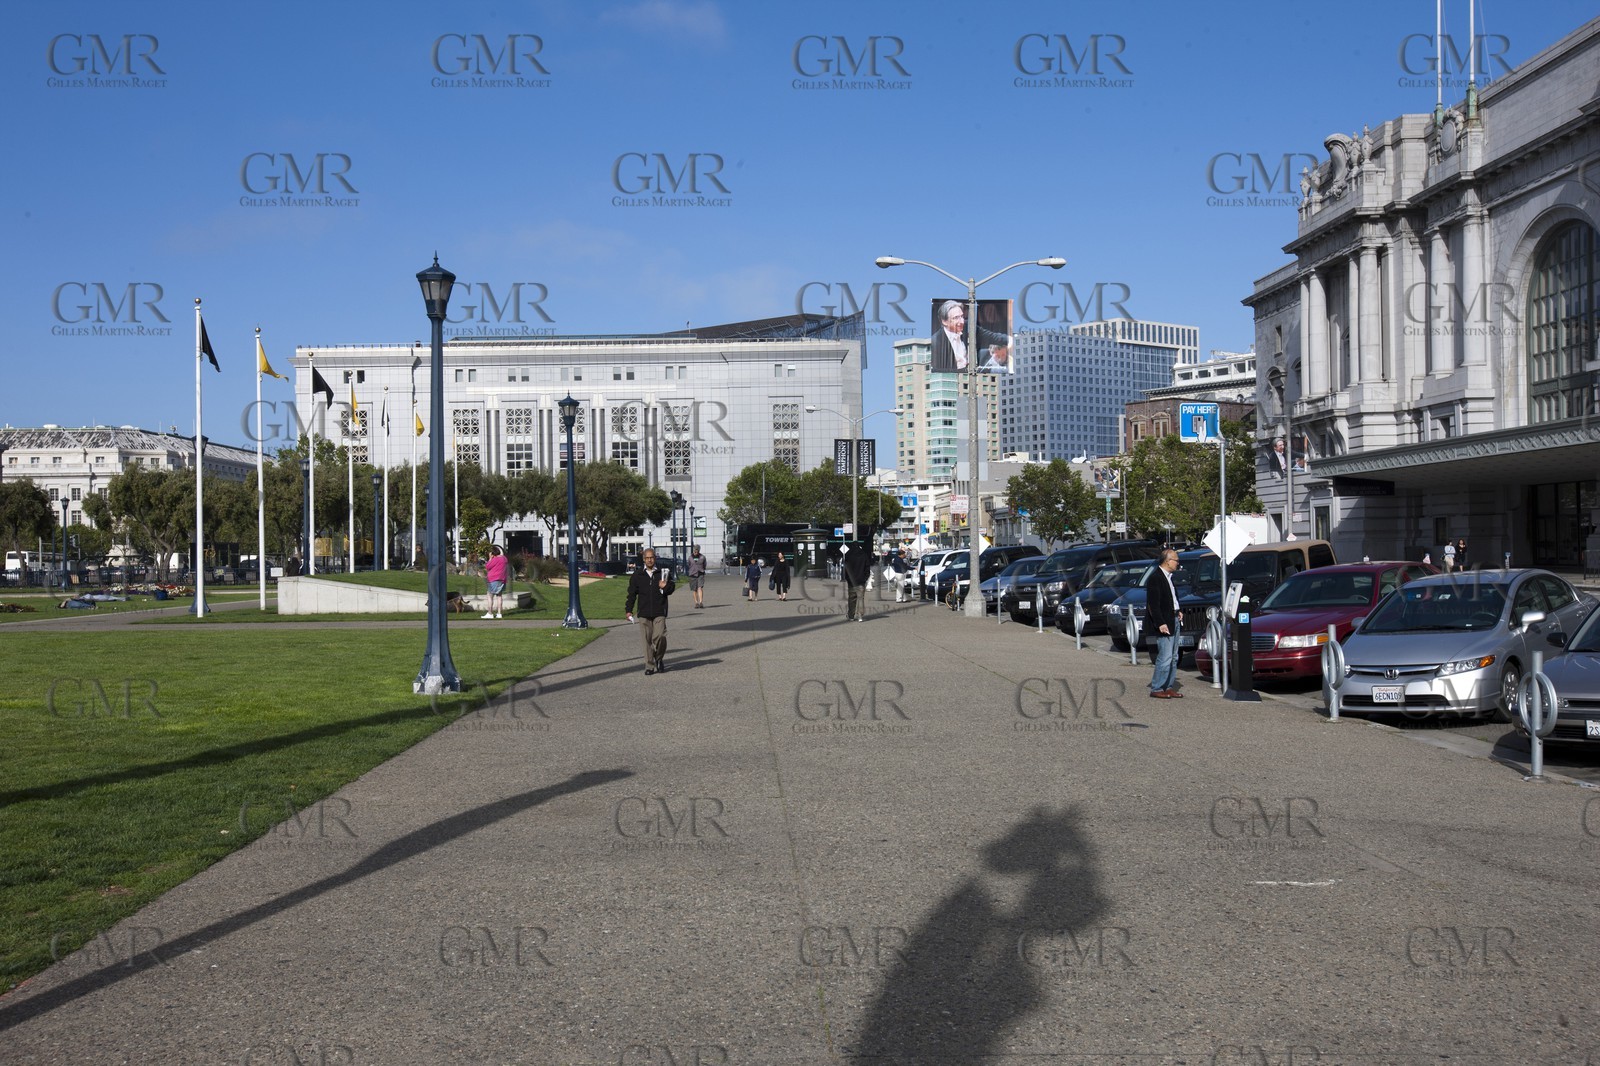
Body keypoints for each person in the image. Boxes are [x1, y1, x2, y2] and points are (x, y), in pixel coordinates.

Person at [625, 548, 675, 675]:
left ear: (655, 558)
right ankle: (649, 666)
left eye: (651, 557)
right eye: (647, 558)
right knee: (646, 640)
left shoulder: (662, 573)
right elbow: (631, 594)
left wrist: (665, 586)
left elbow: (671, 588)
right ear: (643, 559)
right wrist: (628, 610)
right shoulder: (637, 575)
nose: (649, 560)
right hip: (644, 612)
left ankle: (658, 658)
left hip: (659, 610)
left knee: (660, 637)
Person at [1145, 549, 1182, 699]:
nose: (1178, 563)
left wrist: (1178, 610)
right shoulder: (1156, 578)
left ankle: (1168, 686)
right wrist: (1160, 622)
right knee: (1165, 656)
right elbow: (1153, 604)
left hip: (1174, 618)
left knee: (1174, 657)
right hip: (1164, 621)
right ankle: (1157, 687)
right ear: (1167, 561)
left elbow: (1171, 598)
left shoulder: (1169, 577)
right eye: (1176, 560)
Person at [842, 542, 872, 621]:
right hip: (861, 581)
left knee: (852, 599)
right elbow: (867, 568)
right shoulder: (864, 555)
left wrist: (847, 578)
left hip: (851, 582)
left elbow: (845, 569)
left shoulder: (848, 555)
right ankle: (860, 616)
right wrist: (865, 578)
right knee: (860, 598)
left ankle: (851, 615)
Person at [482, 544, 509, 619]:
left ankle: (490, 613)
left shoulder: (495, 559)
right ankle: (499, 613)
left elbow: (487, 567)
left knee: (490, 595)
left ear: (493, 553)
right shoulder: (504, 558)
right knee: (499, 596)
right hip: (502, 579)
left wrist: (490, 558)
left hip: (494, 579)